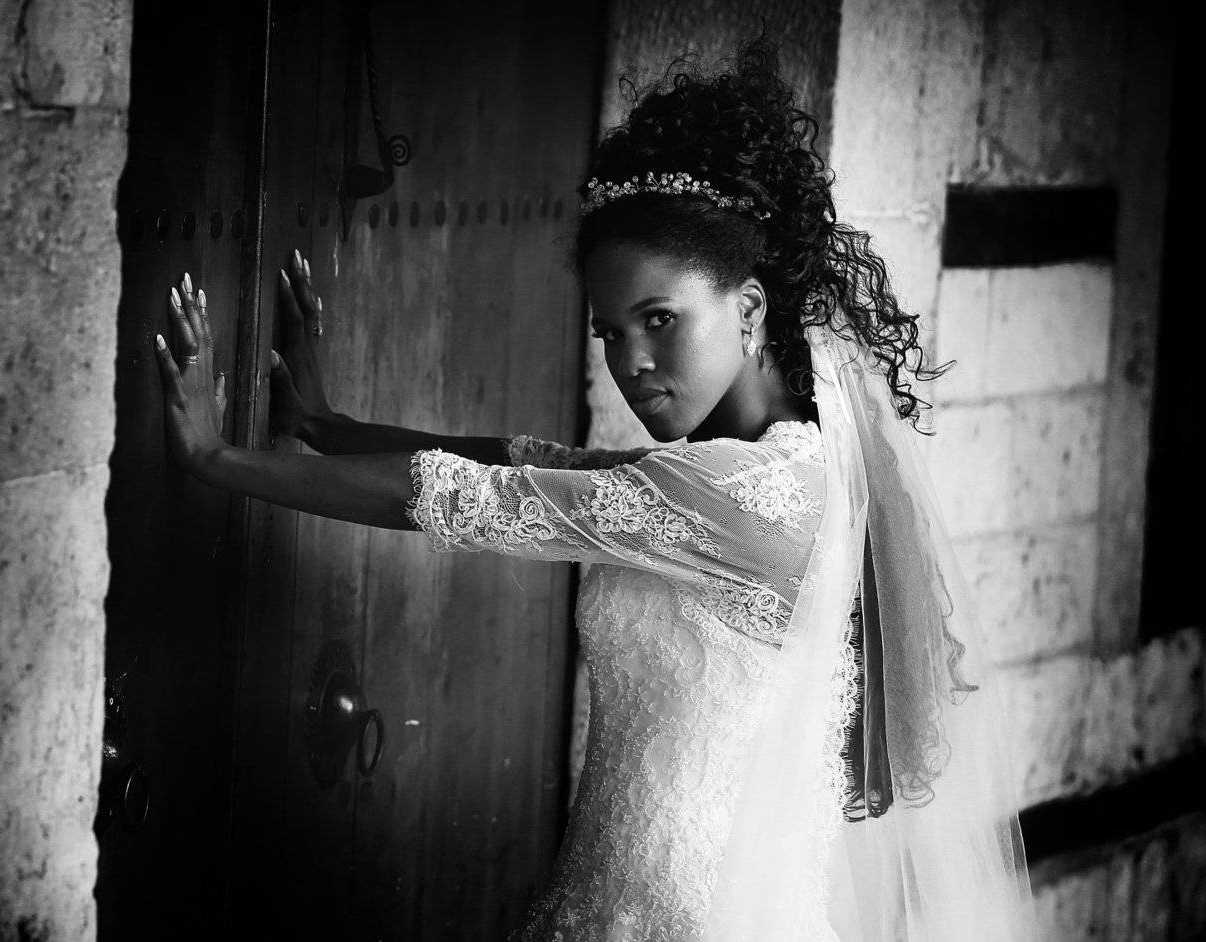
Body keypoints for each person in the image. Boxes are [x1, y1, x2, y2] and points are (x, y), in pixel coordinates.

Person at [154, 35, 1037, 942]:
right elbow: (527, 465)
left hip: (690, 915)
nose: (632, 362)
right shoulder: (752, 466)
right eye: (610, 333)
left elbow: (473, 498)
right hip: (630, 891)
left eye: (660, 319)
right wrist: (327, 425)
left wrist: (217, 460)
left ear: (748, 309)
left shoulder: (747, 494)